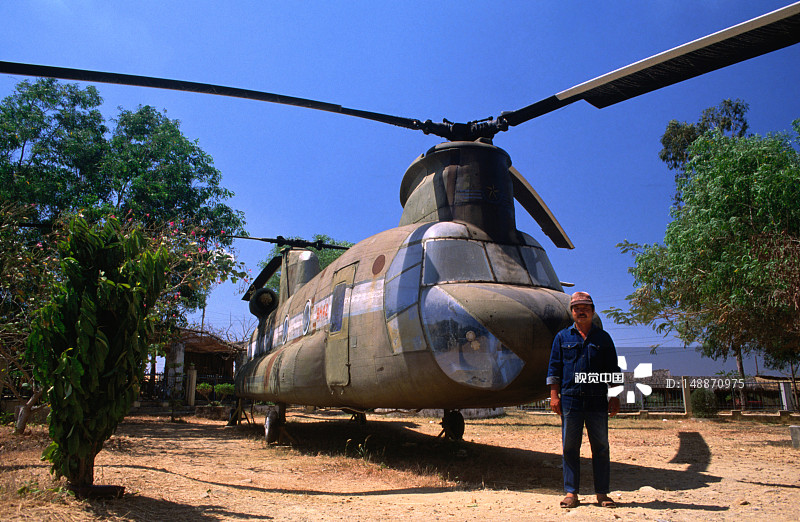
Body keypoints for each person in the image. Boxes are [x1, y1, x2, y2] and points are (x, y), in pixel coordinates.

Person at [546, 291, 621, 509]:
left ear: (593, 311)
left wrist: (614, 396)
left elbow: (612, 370)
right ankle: (571, 493)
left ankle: (602, 494)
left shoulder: (603, 338)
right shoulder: (562, 338)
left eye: (585, 308)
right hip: (571, 400)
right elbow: (554, 368)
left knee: (601, 447)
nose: (581, 311)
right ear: (571, 312)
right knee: (570, 447)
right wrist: (554, 395)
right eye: (577, 308)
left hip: (597, 400)